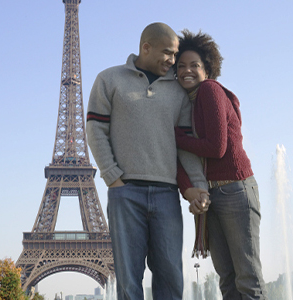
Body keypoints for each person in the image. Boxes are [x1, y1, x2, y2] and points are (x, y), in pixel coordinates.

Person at [86, 23, 208, 300]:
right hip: (125, 192)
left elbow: (186, 145)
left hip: (166, 193)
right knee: (128, 282)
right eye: (167, 53)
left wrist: (197, 185)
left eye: (175, 54)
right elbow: (95, 129)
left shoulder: (178, 92)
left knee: (171, 279)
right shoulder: (109, 79)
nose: (172, 61)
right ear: (145, 47)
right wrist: (113, 177)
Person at [175, 29, 268, 299]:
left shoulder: (209, 90)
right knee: (227, 280)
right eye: (181, 66)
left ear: (207, 69)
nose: (186, 71)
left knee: (248, 279)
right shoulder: (188, 105)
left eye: (194, 65)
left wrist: (177, 138)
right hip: (213, 195)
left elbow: (217, 148)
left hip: (236, 190)